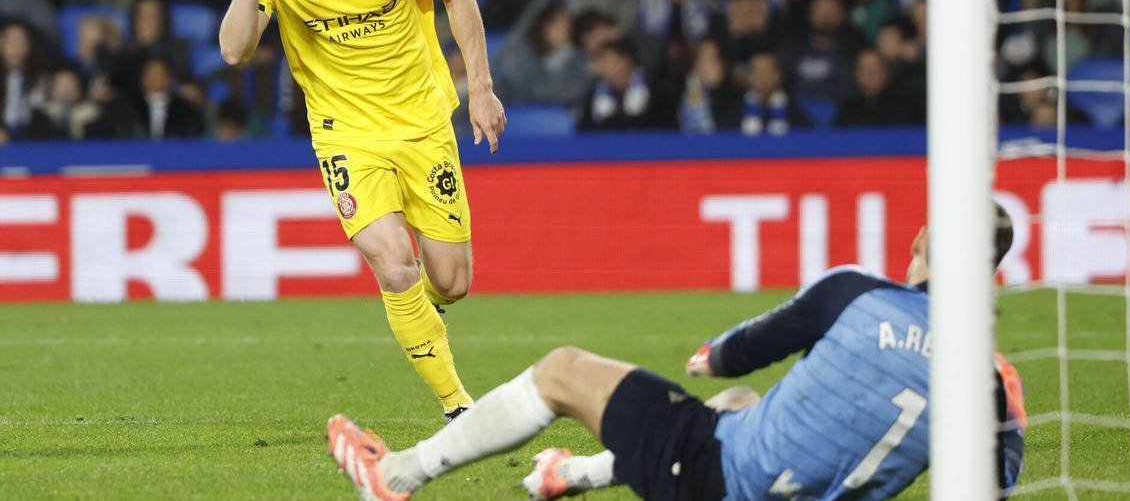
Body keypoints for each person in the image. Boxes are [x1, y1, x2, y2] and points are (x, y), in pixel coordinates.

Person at [326, 205, 1027, 501]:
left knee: (564, 369)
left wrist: (712, 353)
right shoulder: (992, 379)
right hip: (778, 474)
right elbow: (993, 480)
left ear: (920, 247)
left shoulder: (857, 293)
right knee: (740, 408)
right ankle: (568, 476)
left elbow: (745, 349)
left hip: (722, 478)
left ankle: (395, 474)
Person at [218, 0, 505, 421]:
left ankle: (425, 307)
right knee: (395, 264)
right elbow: (233, 51)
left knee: (450, 282)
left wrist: (479, 88)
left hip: (424, 126)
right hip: (345, 137)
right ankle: (458, 406)